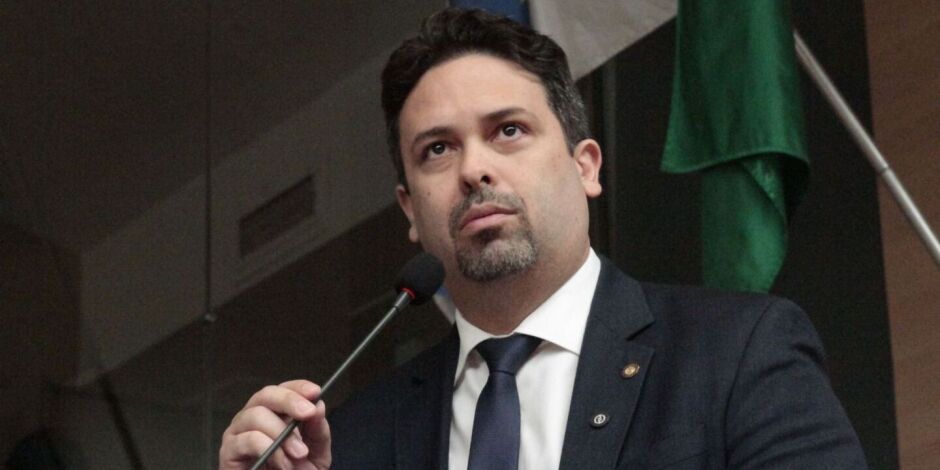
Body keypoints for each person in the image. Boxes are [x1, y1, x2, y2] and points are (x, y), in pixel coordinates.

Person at [219, 8, 867, 470]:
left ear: (586, 166)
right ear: (410, 210)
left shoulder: (738, 350)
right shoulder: (351, 440)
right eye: (438, 149)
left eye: (508, 131)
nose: (474, 169)